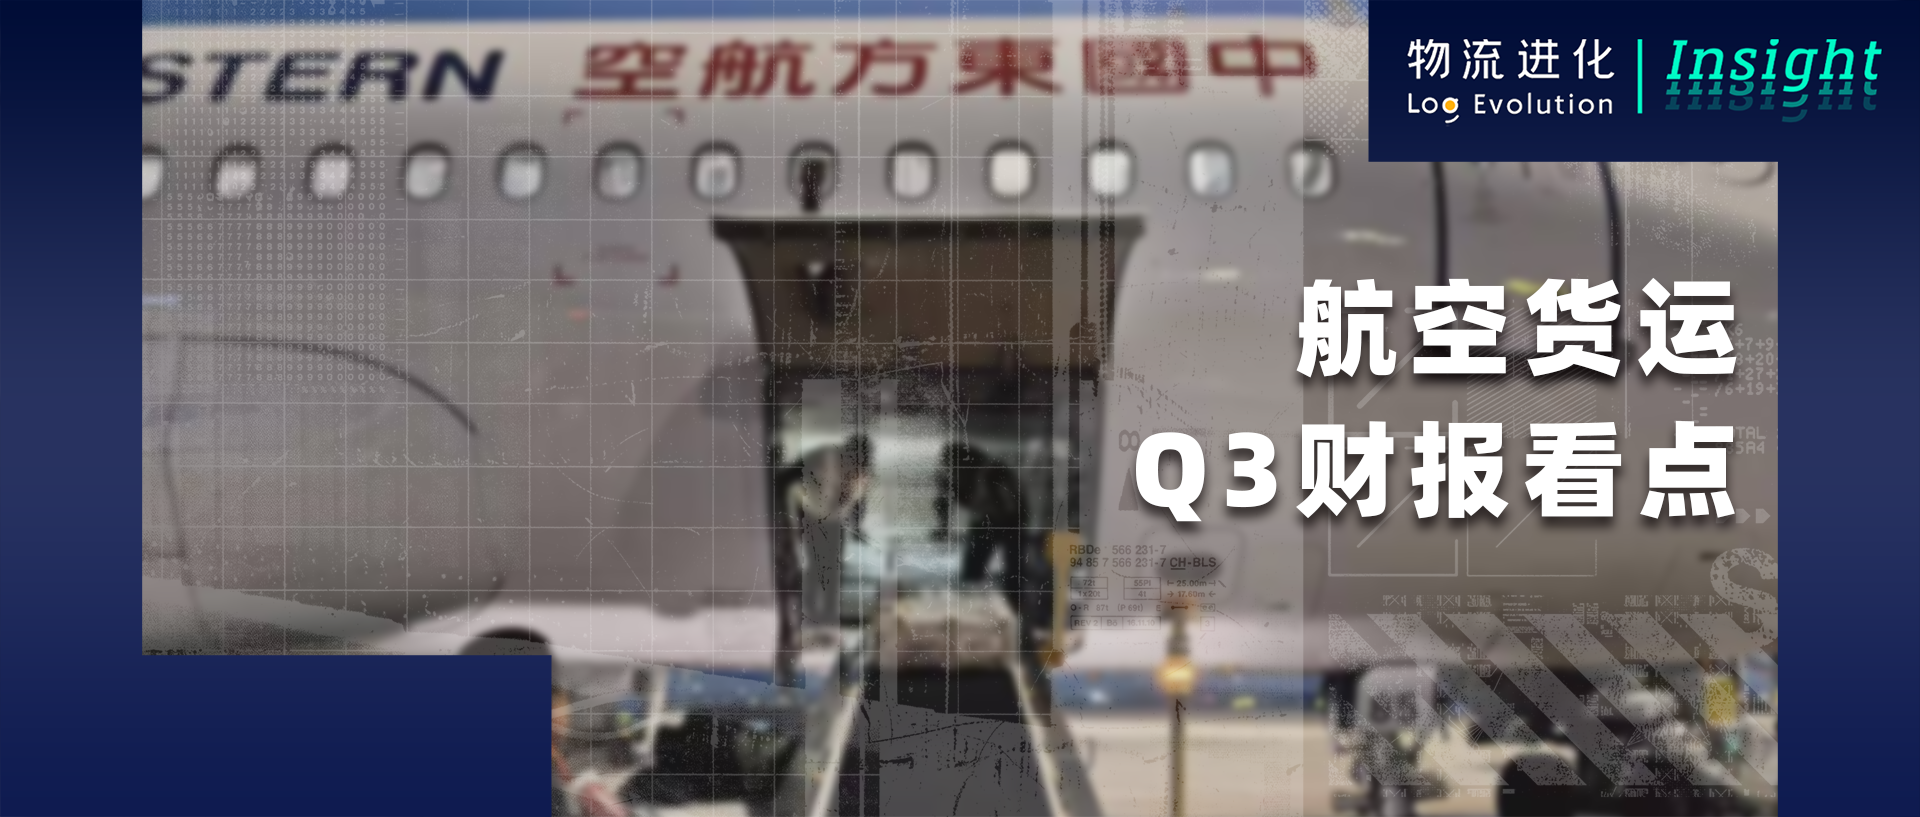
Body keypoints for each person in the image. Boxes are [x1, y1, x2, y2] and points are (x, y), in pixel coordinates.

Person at [771, 434, 872, 687]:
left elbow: (847, 512)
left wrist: (856, 510)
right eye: (855, 467)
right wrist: (852, 497)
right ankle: (790, 646)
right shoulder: (828, 462)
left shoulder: (858, 472)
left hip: (813, 506)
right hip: (788, 505)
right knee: (790, 573)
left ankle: (818, 624)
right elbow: (823, 511)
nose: (857, 472)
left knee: (829, 564)